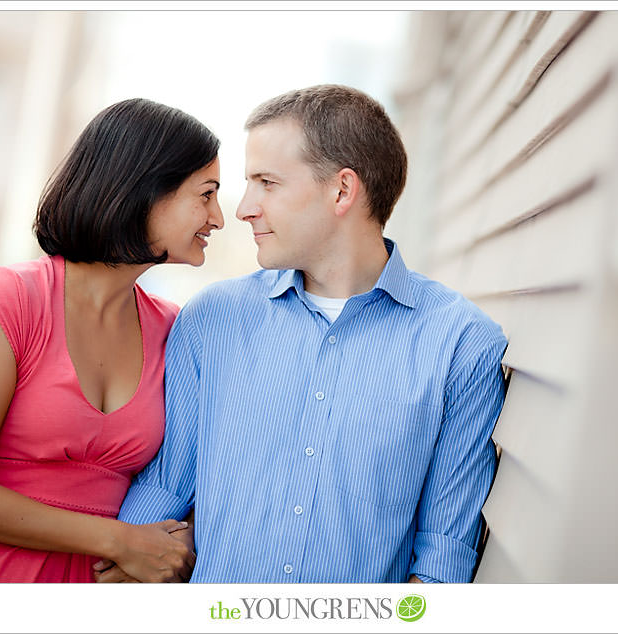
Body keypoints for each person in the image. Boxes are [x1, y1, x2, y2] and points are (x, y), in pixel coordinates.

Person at [98, 84, 507, 583]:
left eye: (267, 183)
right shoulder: (211, 320)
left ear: (342, 190)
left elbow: (443, 557)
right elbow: (165, 491)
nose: (243, 208)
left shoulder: (462, 346)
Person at [0, 97, 223, 583]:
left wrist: (174, 543)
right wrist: (117, 540)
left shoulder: (178, 330)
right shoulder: (6, 302)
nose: (218, 218)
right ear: (145, 188)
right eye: (206, 193)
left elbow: (202, 472)